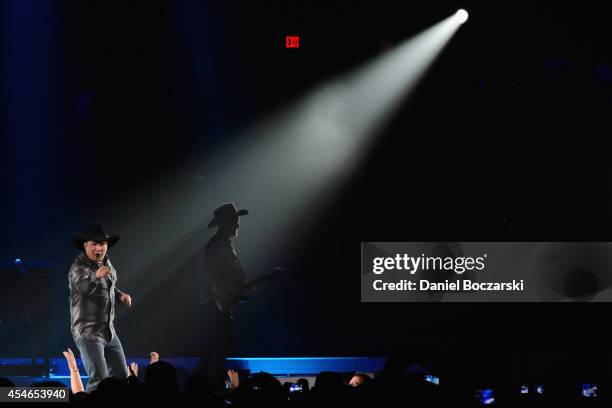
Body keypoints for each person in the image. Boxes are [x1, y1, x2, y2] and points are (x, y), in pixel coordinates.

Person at [68, 223, 132, 392]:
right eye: (94, 244)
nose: (98, 248)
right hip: (88, 331)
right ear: (85, 245)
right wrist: (95, 276)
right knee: (100, 381)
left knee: (121, 378)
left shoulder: (107, 263)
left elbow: (109, 287)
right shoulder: (78, 267)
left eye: (102, 244)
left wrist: (121, 296)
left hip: (108, 331)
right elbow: (82, 288)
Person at [197, 203, 253, 390]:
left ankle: (208, 387)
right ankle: (212, 389)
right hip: (216, 304)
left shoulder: (223, 244)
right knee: (217, 348)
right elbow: (215, 276)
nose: (237, 224)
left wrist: (239, 291)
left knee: (217, 347)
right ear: (225, 223)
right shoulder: (217, 245)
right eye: (234, 220)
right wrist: (225, 296)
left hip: (218, 303)